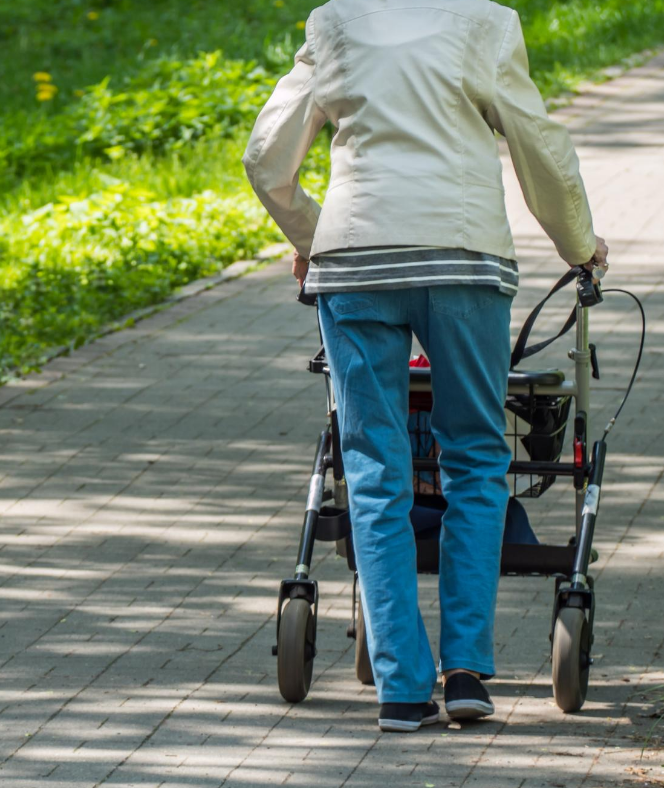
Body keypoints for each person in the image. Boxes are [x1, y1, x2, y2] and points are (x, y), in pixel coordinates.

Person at [242, 0, 609, 733]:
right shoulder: (487, 22)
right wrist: (579, 244)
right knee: (475, 459)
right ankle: (466, 671)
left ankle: (402, 689)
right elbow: (538, 144)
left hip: (356, 266)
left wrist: (316, 237)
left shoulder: (333, 22)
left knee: (374, 472)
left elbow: (265, 158)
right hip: (462, 258)